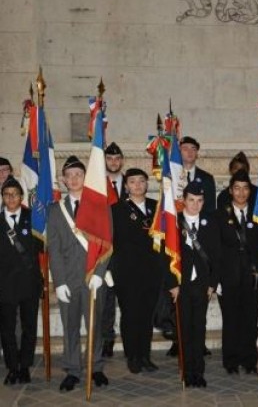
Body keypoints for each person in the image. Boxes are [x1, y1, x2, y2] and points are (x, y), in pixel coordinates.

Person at [48, 156, 109, 391]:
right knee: (70, 326)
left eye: (78, 175)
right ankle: (72, 370)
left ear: (86, 177)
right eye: (69, 175)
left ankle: (96, 368)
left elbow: (107, 242)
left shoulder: (99, 207)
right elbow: (53, 248)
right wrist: (59, 281)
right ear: (63, 180)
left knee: (95, 326)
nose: (73, 179)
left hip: (93, 276)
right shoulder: (56, 211)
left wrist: (100, 272)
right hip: (69, 279)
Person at [110, 168, 166, 374]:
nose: (137, 185)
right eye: (132, 182)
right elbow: (112, 242)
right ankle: (132, 356)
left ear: (147, 183)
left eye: (141, 181)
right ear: (126, 186)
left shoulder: (156, 207)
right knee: (131, 315)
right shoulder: (117, 209)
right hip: (127, 273)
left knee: (147, 316)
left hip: (152, 272)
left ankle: (145, 355)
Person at [168, 181, 220, 388]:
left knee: (199, 328)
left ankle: (198, 371)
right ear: (183, 201)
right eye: (191, 200)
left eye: (199, 201)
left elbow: (217, 256)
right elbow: (166, 255)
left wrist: (212, 284)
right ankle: (186, 370)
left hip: (202, 285)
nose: (195, 205)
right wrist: (172, 283)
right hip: (181, 285)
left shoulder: (210, 223)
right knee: (184, 329)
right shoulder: (174, 223)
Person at [216, 169, 258, 374]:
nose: (241, 192)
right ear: (230, 190)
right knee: (231, 319)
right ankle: (231, 361)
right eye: (237, 188)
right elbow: (215, 249)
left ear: (249, 191)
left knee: (250, 319)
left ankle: (249, 360)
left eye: (245, 188)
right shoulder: (219, 215)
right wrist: (216, 278)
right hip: (229, 276)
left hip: (253, 276)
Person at [0, 177, 42, 385]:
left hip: (29, 282)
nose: (11, 198)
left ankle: (24, 366)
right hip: (4, 284)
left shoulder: (33, 218)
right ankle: (12, 367)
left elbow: (43, 247)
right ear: (2, 197)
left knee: (29, 326)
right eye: (6, 194)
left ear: (21, 196)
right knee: (7, 329)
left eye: (14, 194)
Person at [101, 142, 127, 358]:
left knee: (128, 298)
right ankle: (107, 339)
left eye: (117, 159)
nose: (113, 162)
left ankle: (129, 339)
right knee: (107, 299)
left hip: (126, 251)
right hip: (105, 250)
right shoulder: (97, 185)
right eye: (109, 159)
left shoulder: (132, 183)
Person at [178, 136, 216, 215]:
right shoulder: (172, 176)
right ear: (179, 152)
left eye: (193, 149)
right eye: (185, 149)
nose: (190, 152)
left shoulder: (207, 178)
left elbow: (210, 208)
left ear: (197, 154)